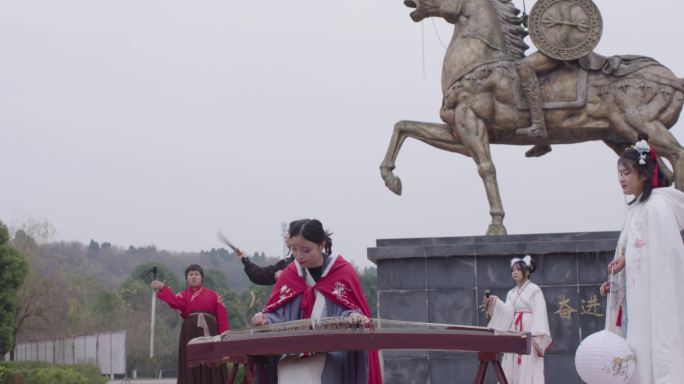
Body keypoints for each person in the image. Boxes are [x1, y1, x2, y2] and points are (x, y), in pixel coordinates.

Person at [250, 219, 382, 384]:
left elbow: (348, 310)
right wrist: (264, 320)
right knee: (288, 371)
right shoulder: (290, 274)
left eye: (305, 250)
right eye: (293, 249)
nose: (298, 256)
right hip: (293, 351)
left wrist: (354, 317)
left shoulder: (342, 272)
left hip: (333, 351)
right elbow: (278, 314)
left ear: (321, 245)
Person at [600, 134, 684, 384]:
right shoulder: (637, 208)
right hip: (638, 303)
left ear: (644, 175)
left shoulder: (656, 208)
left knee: (656, 353)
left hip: (655, 303)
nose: (621, 179)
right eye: (620, 174)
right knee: (638, 354)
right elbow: (641, 254)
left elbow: (664, 261)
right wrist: (620, 277)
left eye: (626, 173)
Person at [151, 264, 229, 384]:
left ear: (202, 278)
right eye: (190, 275)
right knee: (191, 360)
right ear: (187, 278)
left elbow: (222, 318)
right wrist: (162, 287)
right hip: (190, 332)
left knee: (212, 360)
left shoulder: (214, 295)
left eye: (196, 274)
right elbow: (174, 302)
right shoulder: (183, 295)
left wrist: (225, 341)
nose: (193, 277)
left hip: (211, 334)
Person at [483, 255, 552, 384]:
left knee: (528, 361)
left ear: (526, 272)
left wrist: (537, 336)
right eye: (513, 270)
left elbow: (539, 312)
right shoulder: (511, 293)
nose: (514, 272)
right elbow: (507, 312)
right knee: (512, 361)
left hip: (529, 330)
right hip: (514, 331)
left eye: (518, 269)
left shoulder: (535, 290)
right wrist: (493, 302)